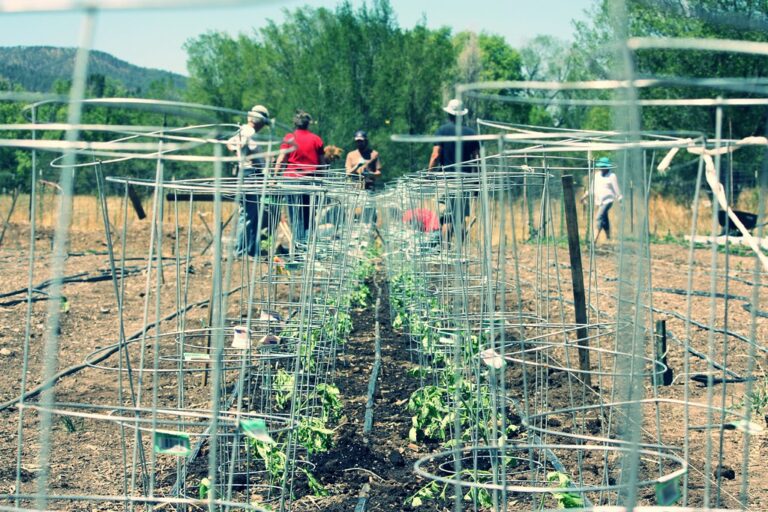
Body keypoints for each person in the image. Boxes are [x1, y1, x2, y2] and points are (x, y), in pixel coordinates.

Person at [428, 99, 481, 243]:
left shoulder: (442, 131)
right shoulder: (471, 134)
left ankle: (445, 254)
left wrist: (429, 174)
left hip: (446, 180)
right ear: (462, 115)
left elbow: (435, 155)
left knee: (446, 218)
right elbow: (477, 160)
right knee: (459, 218)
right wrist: (477, 182)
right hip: (464, 181)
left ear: (449, 115)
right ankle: (460, 252)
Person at [226, 104, 273, 257]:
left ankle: (250, 249)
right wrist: (246, 158)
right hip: (250, 175)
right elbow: (235, 144)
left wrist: (239, 154)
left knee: (251, 214)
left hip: (250, 174)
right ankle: (242, 250)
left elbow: (230, 144)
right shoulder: (248, 131)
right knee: (247, 214)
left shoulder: (245, 130)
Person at [273, 110, 326, 244]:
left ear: (295, 123)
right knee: (309, 215)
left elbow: (282, 159)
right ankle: (308, 245)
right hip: (311, 181)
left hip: (292, 181)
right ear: (308, 124)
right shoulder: (316, 139)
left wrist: (274, 178)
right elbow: (322, 163)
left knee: (295, 215)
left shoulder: (289, 138)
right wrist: (323, 180)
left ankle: (298, 248)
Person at [581, 156, 622, 243]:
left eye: (604, 166)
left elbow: (616, 189)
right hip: (599, 201)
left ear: (607, 167)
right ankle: (608, 238)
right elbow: (592, 188)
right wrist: (584, 196)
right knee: (604, 219)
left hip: (608, 201)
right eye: (601, 166)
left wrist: (620, 199)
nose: (602, 168)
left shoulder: (612, 176)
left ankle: (594, 240)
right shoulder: (597, 175)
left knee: (598, 217)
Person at [345, 130, 382, 224]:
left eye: (361, 141)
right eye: (357, 141)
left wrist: (370, 174)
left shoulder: (374, 154)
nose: (359, 143)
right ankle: (354, 235)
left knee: (369, 215)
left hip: (369, 189)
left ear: (366, 141)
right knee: (353, 215)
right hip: (355, 189)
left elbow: (379, 173)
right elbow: (348, 173)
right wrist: (357, 166)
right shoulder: (351, 155)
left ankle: (370, 233)